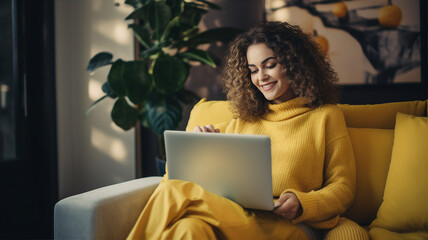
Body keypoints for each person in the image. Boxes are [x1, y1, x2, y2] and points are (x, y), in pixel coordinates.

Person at [127, 21, 369, 240]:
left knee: (175, 192)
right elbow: (178, 174)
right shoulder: (244, 119)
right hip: (239, 217)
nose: (261, 77)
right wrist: (201, 148)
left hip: (289, 225)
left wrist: (302, 202)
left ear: (295, 64)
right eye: (253, 70)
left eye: (270, 65)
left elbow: (343, 188)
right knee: (187, 230)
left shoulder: (325, 116)